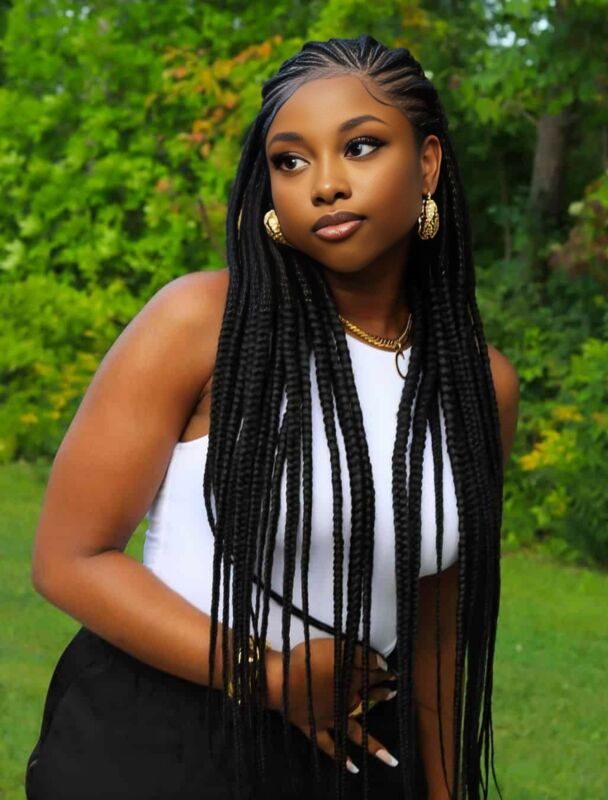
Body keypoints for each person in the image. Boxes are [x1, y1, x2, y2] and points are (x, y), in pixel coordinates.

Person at [25, 34, 519, 800]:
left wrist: (445, 790)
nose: (325, 184)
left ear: (426, 164)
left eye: (360, 146)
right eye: (291, 160)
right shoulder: (202, 321)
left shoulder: (479, 384)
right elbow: (70, 559)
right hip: (164, 743)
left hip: (358, 749)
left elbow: (436, 628)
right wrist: (269, 675)